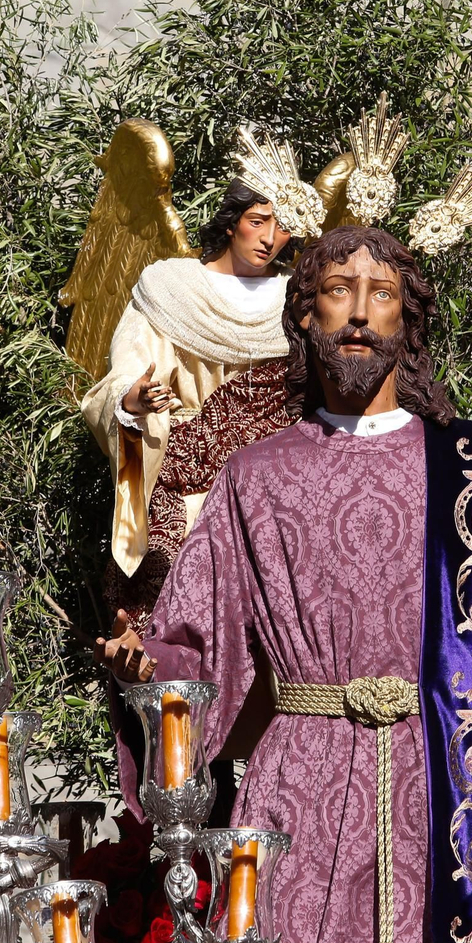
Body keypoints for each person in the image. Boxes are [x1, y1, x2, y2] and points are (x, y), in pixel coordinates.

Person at [97, 224, 472, 943]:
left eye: (383, 294)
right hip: (299, 787)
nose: (360, 312)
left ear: (408, 320)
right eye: (338, 291)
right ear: (306, 314)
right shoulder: (256, 475)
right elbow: (197, 646)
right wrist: (147, 666)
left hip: (456, 788)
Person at [80, 180, 300, 626]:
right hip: (185, 479)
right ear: (231, 222)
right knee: (169, 615)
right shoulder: (172, 287)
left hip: (271, 487)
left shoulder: (299, 299)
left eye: (281, 228)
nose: (268, 238)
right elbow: (128, 366)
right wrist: (134, 399)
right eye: (257, 222)